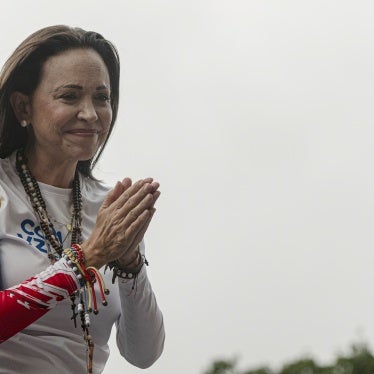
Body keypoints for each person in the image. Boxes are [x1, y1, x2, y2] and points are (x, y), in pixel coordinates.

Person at [0, 25, 165, 373]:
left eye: (101, 98)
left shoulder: (108, 209)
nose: (90, 114)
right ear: (22, 107)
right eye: (70, 96)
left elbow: (143, 353)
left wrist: (130, 262)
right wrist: (88, 257)